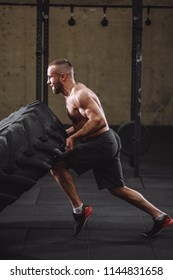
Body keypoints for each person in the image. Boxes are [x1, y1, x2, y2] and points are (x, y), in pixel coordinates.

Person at [47, 58, 173, 238]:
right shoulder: (70, 95)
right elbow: (82, 122)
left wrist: (74, 138)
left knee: (57, 164)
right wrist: (66, 134)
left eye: (51, 77)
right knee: (117, 188)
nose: (48, 81)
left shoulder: (79, 94)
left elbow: (99, 121)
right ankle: (160, 217)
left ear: (63, 76)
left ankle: (79, 210)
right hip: (107, 140)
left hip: (102, 143)